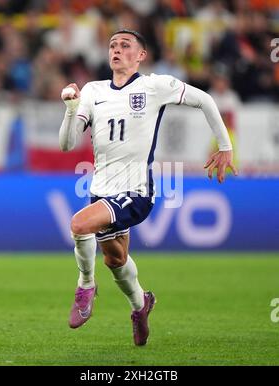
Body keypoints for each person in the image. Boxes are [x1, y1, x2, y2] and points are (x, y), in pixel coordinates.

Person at [59, 29, 237, 346]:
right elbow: (68, 144)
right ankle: (141, 305)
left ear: (141, 55)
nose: (116, 49)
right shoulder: (93, 90)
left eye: (125, 45)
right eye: (112, 45)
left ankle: (86, 285)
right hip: (101, 189)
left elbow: (206, 100)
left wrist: (225, 146)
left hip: (136, 190)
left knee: (78, 224)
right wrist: (71, 108)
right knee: (115, 260)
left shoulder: (155, 86)